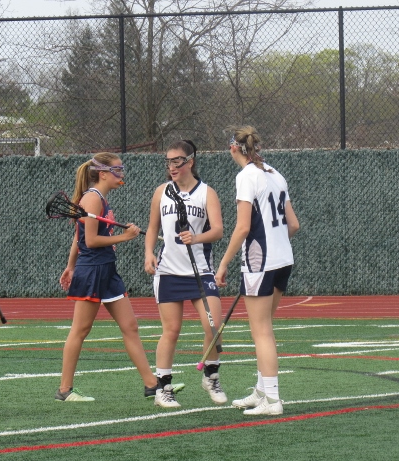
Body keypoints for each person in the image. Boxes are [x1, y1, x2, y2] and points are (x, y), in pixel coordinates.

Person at [57, 153, 161, 401]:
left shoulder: (99, 198)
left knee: (130, 326)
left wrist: (70, 265)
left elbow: (78, 236)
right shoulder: (92, 199)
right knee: (80, 330)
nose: (121, 174)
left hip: (106, 269)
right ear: (103, 173)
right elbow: (90, 241)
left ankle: (151, 384)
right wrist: (124, 237)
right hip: (93, 270)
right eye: (118, 169)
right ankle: (64, 390)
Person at [215, 126, 299, 416]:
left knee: (261, 331)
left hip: (259, 262)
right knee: (266, 328)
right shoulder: (275, 173)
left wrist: (224, 263)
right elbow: (294, 225)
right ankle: (262, 391)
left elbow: (243, 227)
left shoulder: (246, 176)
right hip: (282, 260)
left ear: (233, 148)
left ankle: (273, 401)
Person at [144, 140, 225, 408]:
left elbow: (218, 231)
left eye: (177, 161)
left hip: (200, 271)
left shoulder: (206, 193)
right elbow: (153, 228)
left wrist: (196, 237)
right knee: (171, 330)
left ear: (190, 161)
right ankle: (163, 388)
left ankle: (211, 376)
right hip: (168, 272)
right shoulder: (162, 192)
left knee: (213, 327)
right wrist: (149, 252)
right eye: (168, 161)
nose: (172, 167)